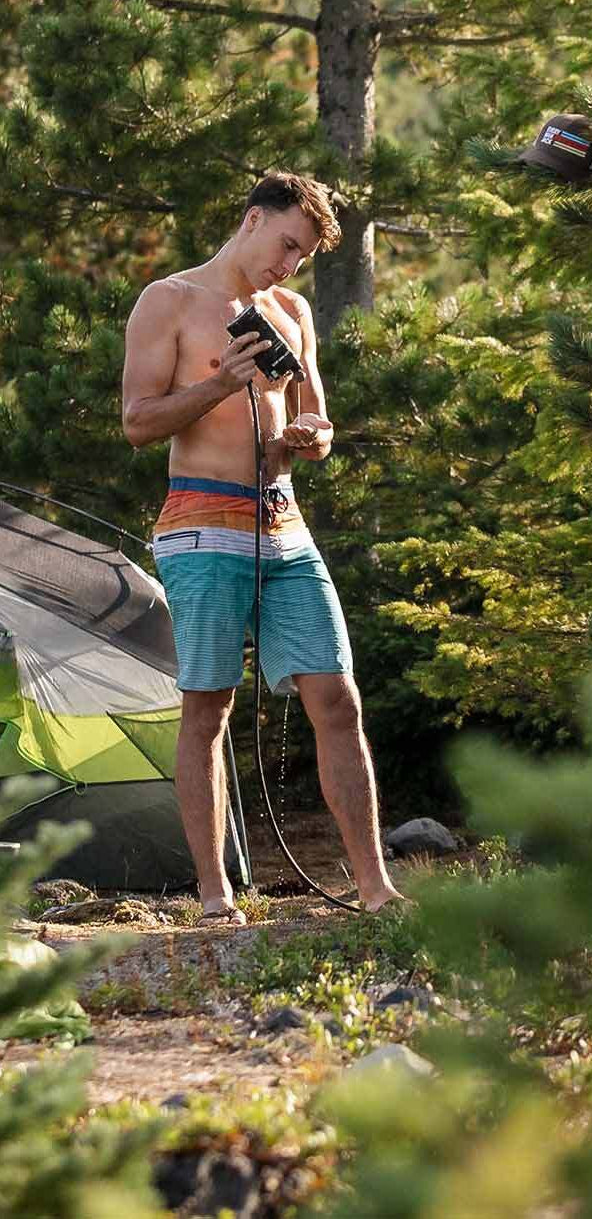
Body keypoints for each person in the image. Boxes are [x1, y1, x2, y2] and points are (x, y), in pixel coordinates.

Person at [121, 171, 403, 923]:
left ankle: (375, 888)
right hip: (200, 525)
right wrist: (220, 386)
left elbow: (320, 420)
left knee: (336, 698)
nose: (289, 265)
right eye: (286, 245)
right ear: (251, 219)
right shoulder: (169, 301)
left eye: (302, 256)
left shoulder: (293, 312)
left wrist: (311, 437)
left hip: (283, 524)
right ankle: (216, 896)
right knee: (208, 707)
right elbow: (138, 422)